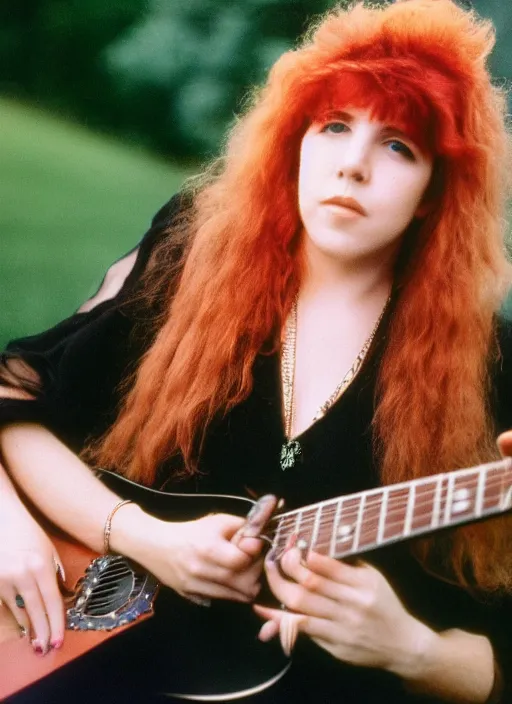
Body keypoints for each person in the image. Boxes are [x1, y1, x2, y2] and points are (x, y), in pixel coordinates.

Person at [1, 0, 512, 701]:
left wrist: (413, 649)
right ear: (295, 141)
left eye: (400, 146)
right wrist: (122, 536)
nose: (353, 166)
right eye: (334, 127)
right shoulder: (194, 252)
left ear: (433, 191)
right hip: (93, 652)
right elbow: (17, 395)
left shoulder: (489, 369)